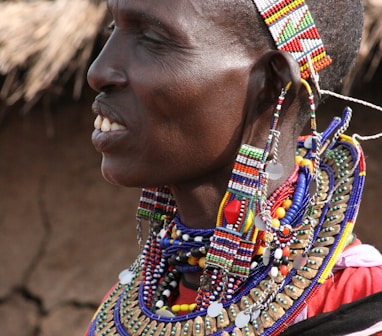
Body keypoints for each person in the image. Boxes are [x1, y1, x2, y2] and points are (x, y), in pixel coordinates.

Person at [85, 0, 382, 335]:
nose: (98, 71)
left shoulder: (360, 305)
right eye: (113, 28)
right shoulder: (127, 310)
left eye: (153, 38)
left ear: (270, 86)